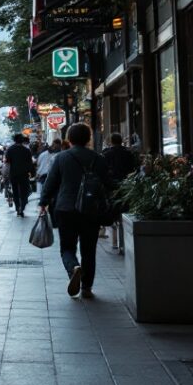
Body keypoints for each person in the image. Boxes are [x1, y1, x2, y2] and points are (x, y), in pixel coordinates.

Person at [39, 122, 117, 298]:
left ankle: (73, 268)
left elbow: (50, 183)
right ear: (89, 138)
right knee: (89, 249)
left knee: (67, 247)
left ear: (69, 139)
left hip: (66, 208)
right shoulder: (99, 158)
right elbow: (110, 184)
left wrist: (43, 203)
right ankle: (87, 287)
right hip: (91, 210)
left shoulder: (61, 158)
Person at [101, 133, 138, 251]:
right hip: (126, 186)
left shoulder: (106, 154)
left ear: (111, 141)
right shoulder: (128, 153)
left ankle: (115, 241)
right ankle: (123, 242)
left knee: (113, 211)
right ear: (121, 141)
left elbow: (103, 171)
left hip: (111, 187)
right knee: (124, 211)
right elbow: (134, 169)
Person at [5, 133, 35, 217]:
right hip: (24, 174)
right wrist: (32, 173)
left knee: (15, 192)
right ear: (22, 140)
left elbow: (7, 162)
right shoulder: (26, 150)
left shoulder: (10, 149)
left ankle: (18, 207)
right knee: (24, 192)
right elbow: (30, 163)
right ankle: (22, 206)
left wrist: (6, 174)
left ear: (14, 140)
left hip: (13, 174)